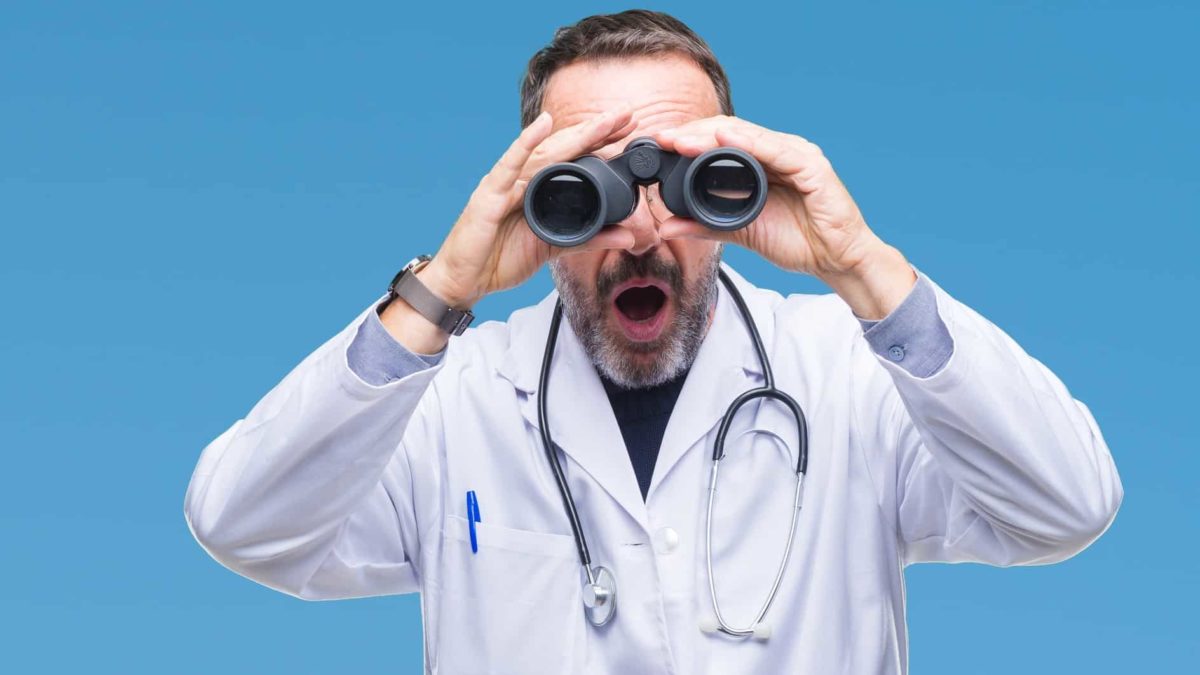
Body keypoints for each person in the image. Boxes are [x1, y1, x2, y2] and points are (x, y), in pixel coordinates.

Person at [184, 9, 1122, 674]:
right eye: (582, 189)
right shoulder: (452, 400)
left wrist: (864, 266)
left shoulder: (847, 372)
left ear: (732, 189)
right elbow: (245, 525)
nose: (638, 231)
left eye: (682, 181)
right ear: (535, 199)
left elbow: (1066, 506)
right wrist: (445, 288)